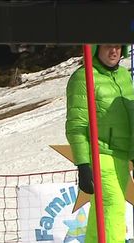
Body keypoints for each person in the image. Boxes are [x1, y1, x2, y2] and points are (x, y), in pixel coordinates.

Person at [65, 44, 134, 242]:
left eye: (118, 47)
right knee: (113, 208)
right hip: (100, 153)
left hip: (121, 155)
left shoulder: (123, 75)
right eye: (108, 47)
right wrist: (83, 164)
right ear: (95, 49)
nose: (114, 51)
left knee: (101, 215)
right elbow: (77, 124)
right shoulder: (84, 77)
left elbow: (131, 116)